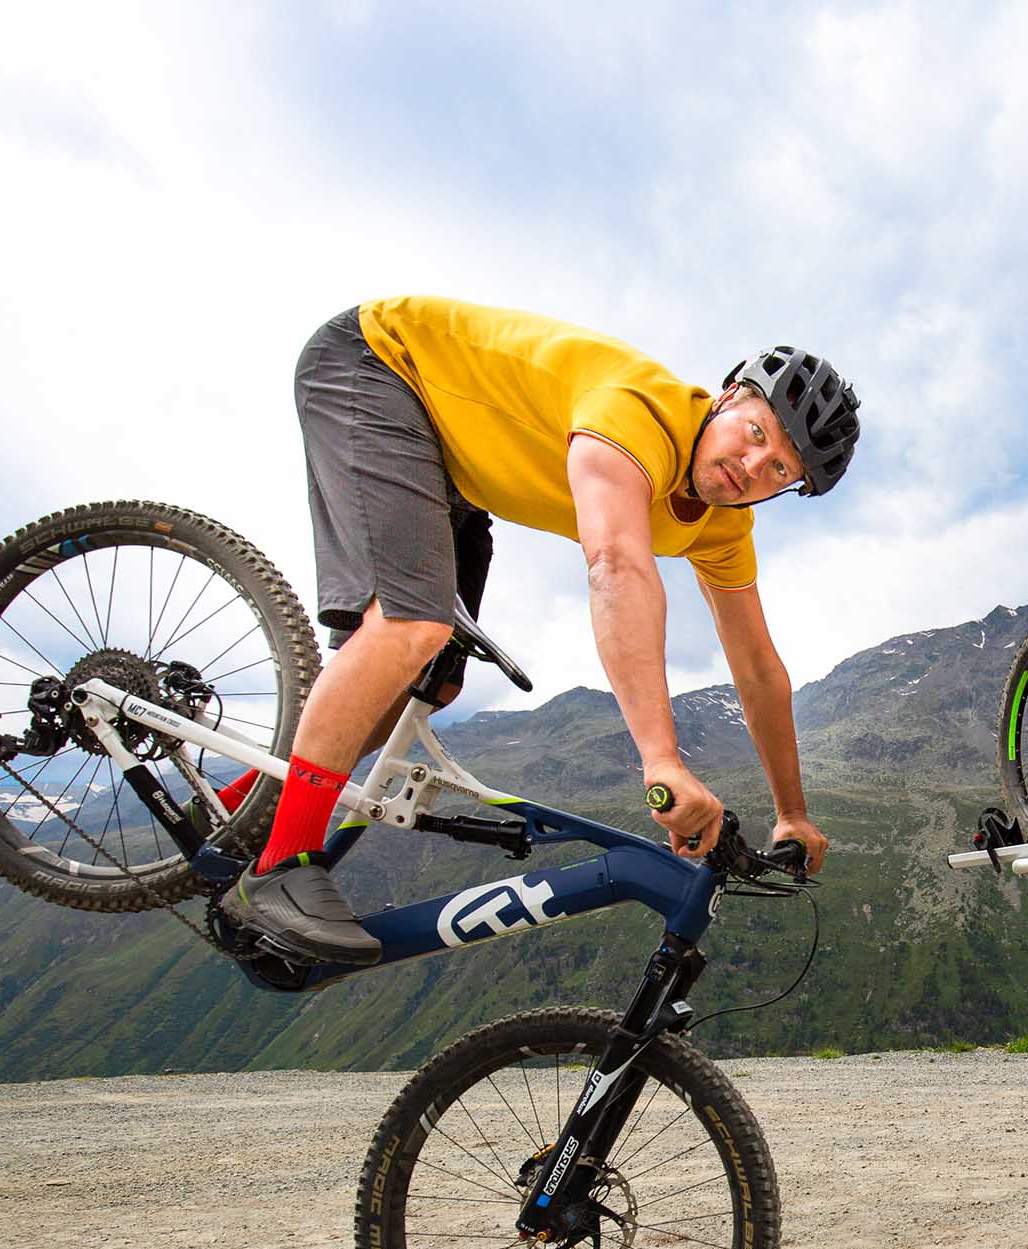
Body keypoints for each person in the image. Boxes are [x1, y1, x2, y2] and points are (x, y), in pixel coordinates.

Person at [218, 297, 857, 964]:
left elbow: (757, 668)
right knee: (413, 626)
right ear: (726, 398)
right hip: (380, 365)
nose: (752, 467)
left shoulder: (724, 525)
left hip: (453, 467)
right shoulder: (641, 411)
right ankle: (280, 864)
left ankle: (242, 809)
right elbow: (617, 565)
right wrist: (662, 760)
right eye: (755, 433)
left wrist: (792, 812)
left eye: (779, 470)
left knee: (427, 683)